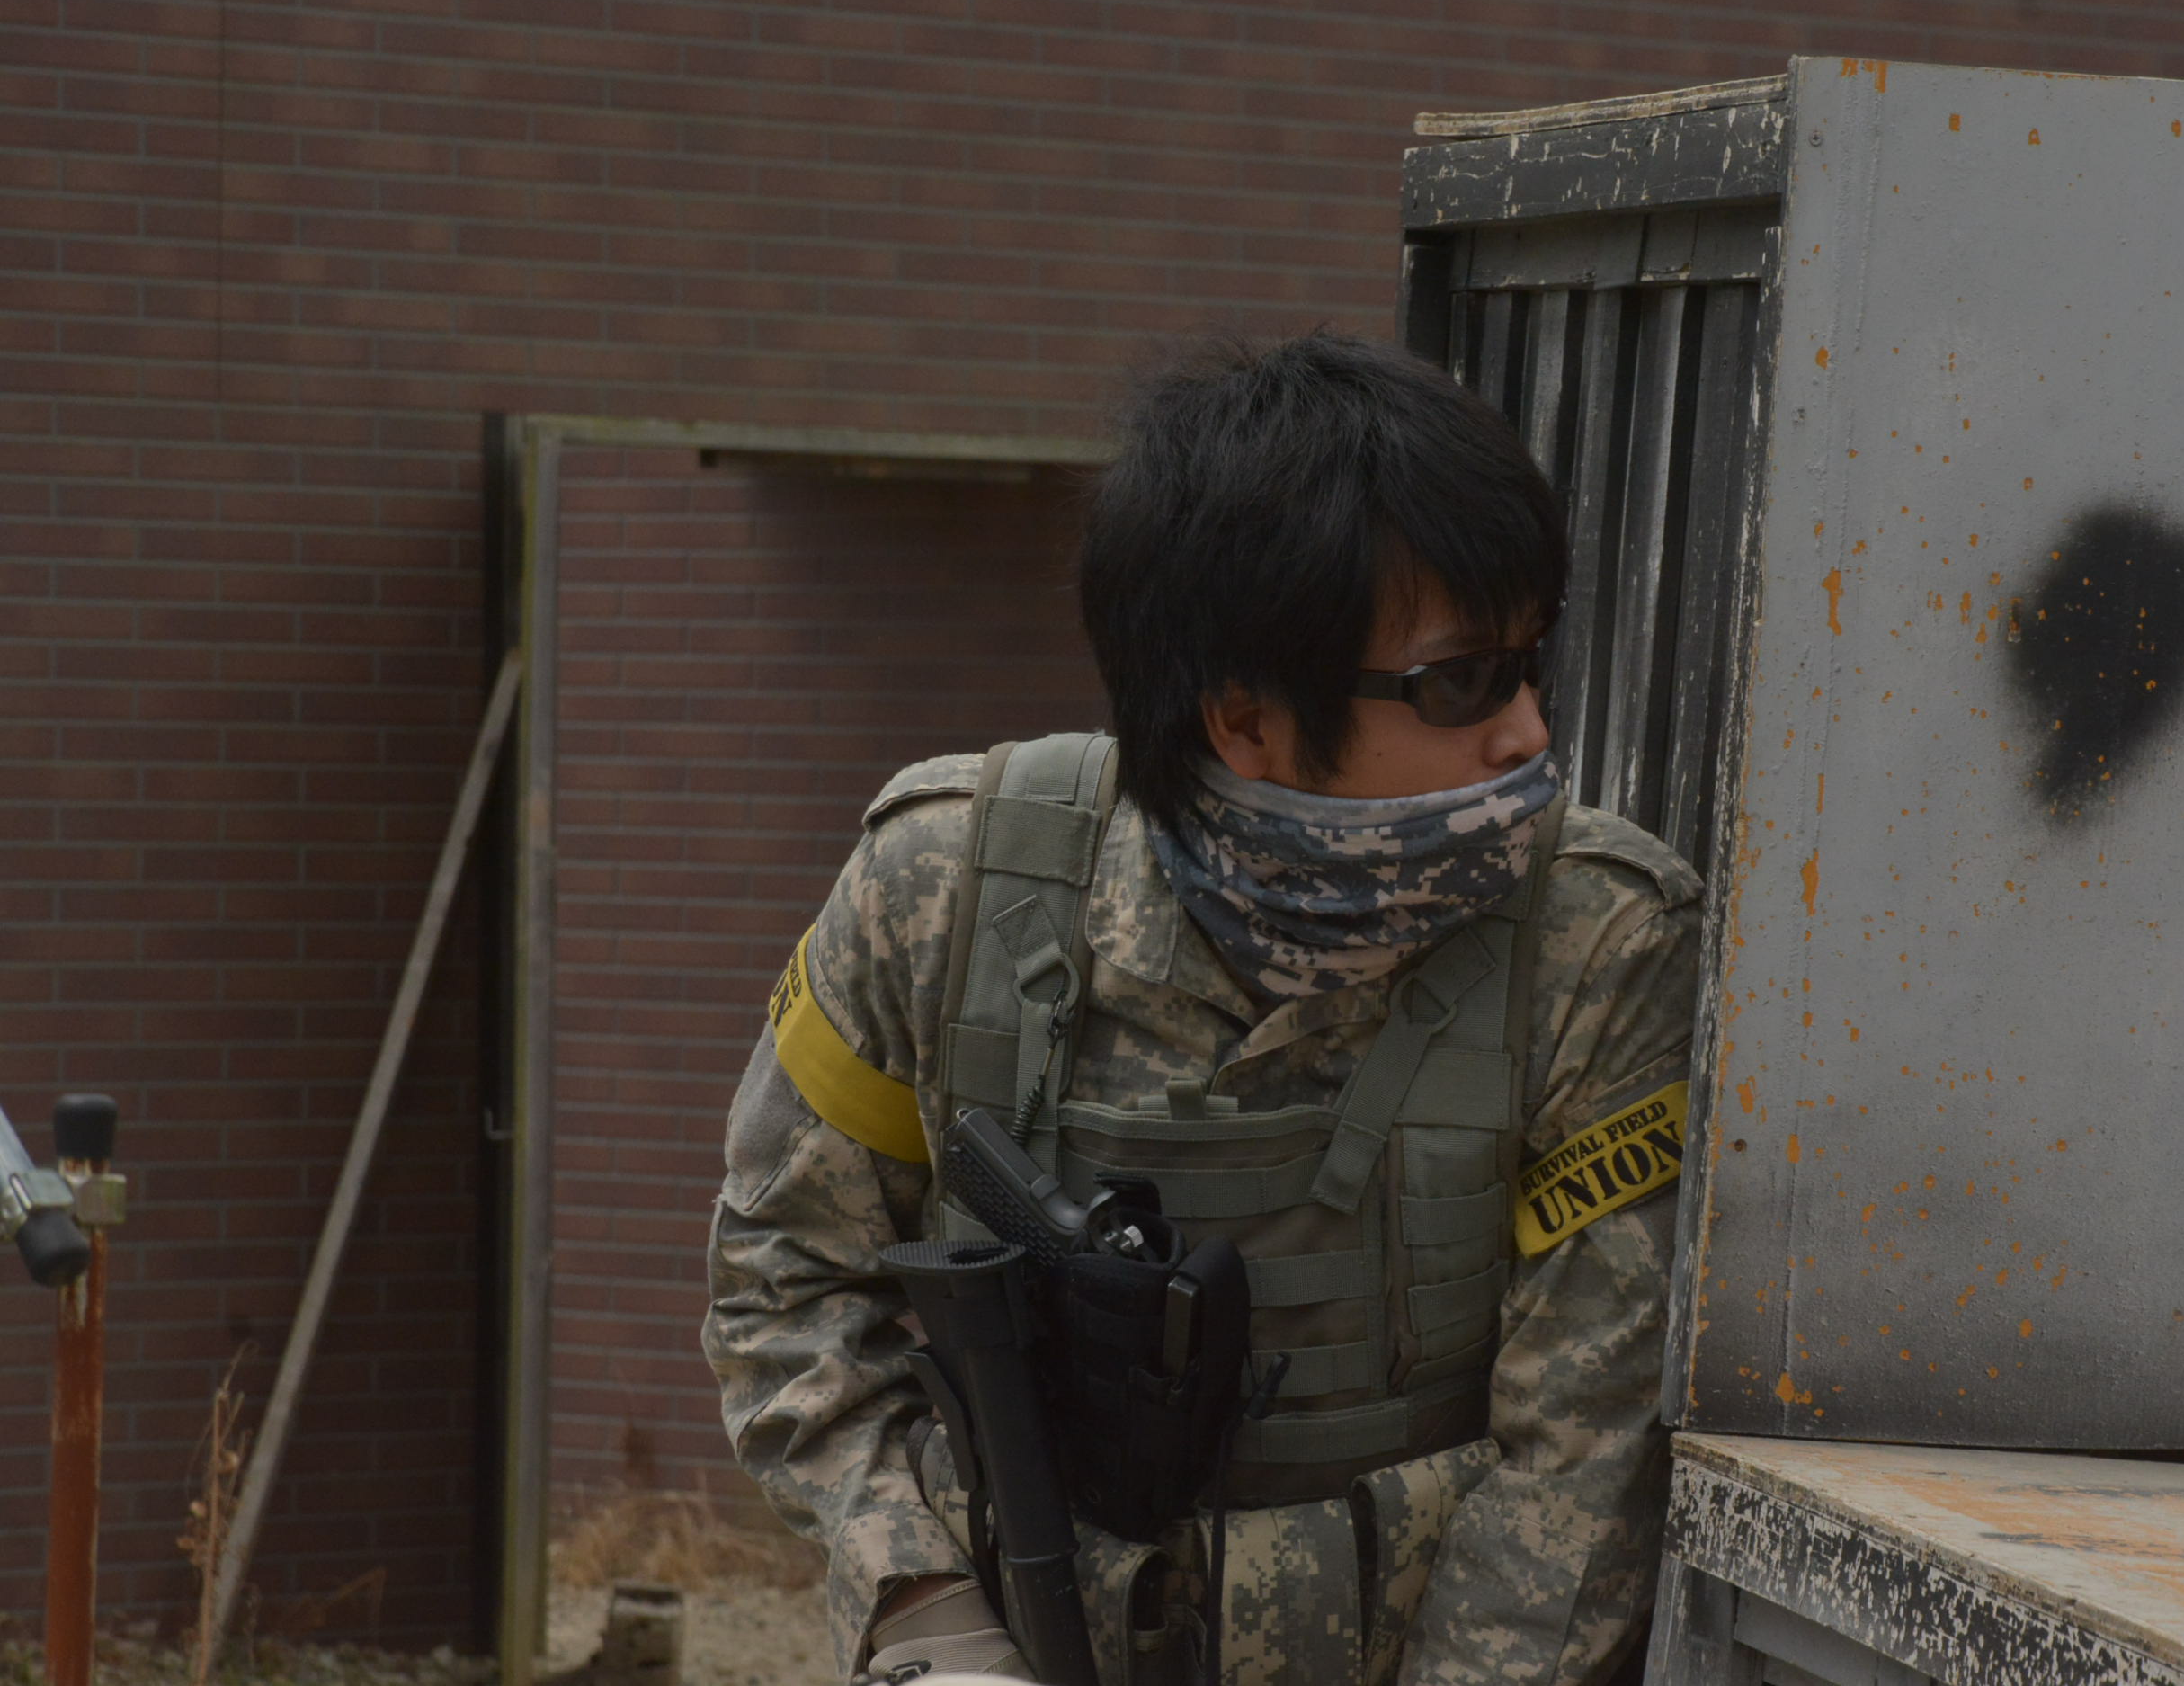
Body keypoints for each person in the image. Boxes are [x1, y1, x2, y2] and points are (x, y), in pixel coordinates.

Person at [704, 333, 1701, 1686]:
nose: (1526, 731)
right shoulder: (941, 891)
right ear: (1245, 719)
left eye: (1532, 664)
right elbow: (786, 1277)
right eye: (1460, 680)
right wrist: (920, 1607)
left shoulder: (1597, 945)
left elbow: (1581, 1460)